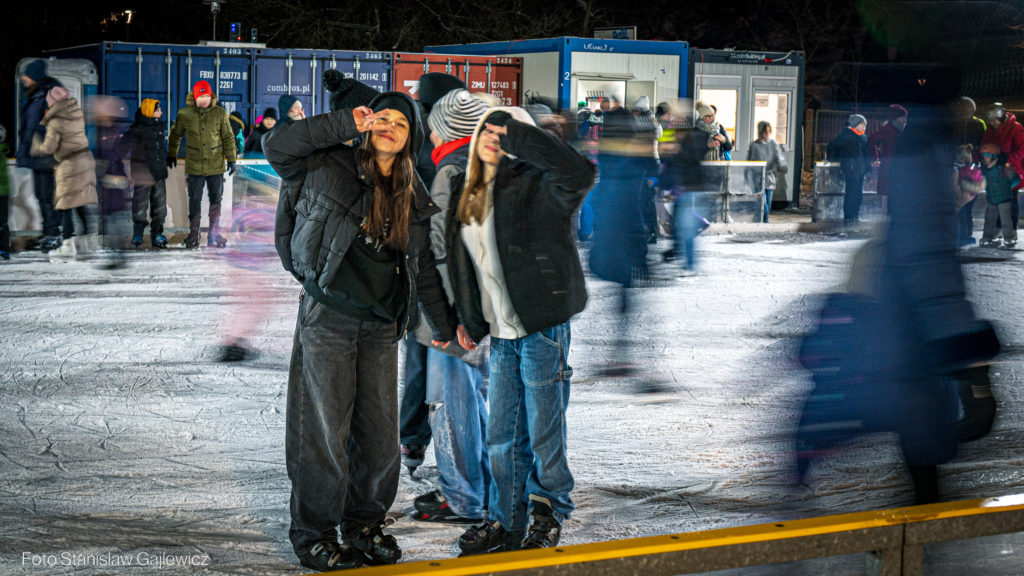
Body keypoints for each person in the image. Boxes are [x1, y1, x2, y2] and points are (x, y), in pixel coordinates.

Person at [264, 91, 457, 571]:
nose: (389, 126)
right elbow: (277, 146)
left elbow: (422, 268)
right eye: (382, 117)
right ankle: (314, 533)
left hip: (378, 325)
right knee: (324, 431)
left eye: (401, 122)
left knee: (377, 437)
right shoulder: (329, 163)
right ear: (367, 123)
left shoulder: (412, 191)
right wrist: (342, 123)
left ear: (411, 138)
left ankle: (364, 524)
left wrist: (447, 323)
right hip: (328, 315)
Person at [445, 107, 595, 554]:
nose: (493, 136)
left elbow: (579, 173)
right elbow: (466, 266)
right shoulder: (467, 189)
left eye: (503, 130)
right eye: (487, 129)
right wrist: (469, 318)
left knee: (544, 432)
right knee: (502, 435)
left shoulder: (538, 183)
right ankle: (504, 520)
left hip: (541, 326)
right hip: (501, 332)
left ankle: (548, 511)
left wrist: (522, 137)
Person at [410, 88, 492, 525]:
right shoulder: (490, 164)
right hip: (487, 313)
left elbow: (442, 251)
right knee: (478, 399)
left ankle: (463, 497)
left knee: (451, 404)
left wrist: (450, 319)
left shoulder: (450, 172)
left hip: (458, 316)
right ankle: (479, 487)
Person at [401, 71, 466, 475]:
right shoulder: (441, 145)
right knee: (436, 356)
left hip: (416, 264)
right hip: (438, 267)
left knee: (419, 355)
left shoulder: (416, 136)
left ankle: (412, 437)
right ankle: (438, 445)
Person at [30, 85, 99, 262]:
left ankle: (68, 245)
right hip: (84, 160)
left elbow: (49, 147)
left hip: (69, 164)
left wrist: (37, 144)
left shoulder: (56, 121)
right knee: (80, 202)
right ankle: (88, 241)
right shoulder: (75, 114)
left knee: (65, 204)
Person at [167, 80, 237, 249]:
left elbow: (228, 137)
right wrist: (171, 154)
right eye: (201, 96)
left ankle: (213, 235)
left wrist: (231, 158)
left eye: (207, 96)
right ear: (195, 97)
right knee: (195, 201)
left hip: (216, 165)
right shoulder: (185, 114)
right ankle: (193, 235)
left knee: (216, 200)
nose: (204, 99)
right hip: (195, 166)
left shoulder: (220, 113)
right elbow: (175, 135)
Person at [16, 59, 63, 253]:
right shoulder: (36, 94)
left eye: (26, 76)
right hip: (38, 153)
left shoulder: (48, 94)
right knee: (41, 195)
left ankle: (54, 234)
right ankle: (49, 231)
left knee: (47, 195)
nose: (24, 80)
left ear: (35, 76)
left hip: (47, 153)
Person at [123, 99, 169, 249]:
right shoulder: (136, 130)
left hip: (159, 175)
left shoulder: (160, 127)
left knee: (160, 207)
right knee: (139, 206)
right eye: (158, 109)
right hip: (142, 174)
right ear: (150, 111)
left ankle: (157, 234)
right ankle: (138, 234)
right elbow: (122, 147)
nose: (161, 112)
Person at [981, 103, 1024, 229]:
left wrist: (1009, 159)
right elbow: (985, 144)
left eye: (995, 121)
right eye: (991, 121)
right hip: (994, 170)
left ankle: (1010, 229)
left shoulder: (1016, 128)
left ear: (1002, 118)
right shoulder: (990, 130)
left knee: (1010, 201)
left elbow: (1022, 148)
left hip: (1010, 170)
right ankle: (997, 228)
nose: (993, 124)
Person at [952, 97, 986, 245]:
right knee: (960, 201)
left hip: (972, 168)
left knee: (969, 201)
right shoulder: (953, 124)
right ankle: (961, 234)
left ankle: (966, 233)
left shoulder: (978, 124)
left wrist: (974, 153)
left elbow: (983, 143)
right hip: (958, 166)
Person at [827, 114, 871, 224]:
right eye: (862, 124)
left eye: (865, 125)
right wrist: (834, 158)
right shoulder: (846, 136)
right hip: (850, 169)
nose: (864, 127)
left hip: (860, 170)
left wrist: (868, 167)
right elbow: (832, 145)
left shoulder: (863, 137)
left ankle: (855, 215)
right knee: (850, 193)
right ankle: (848, 217)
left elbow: (866, 154)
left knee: (858, 194)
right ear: (855, 124)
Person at [978, 142, 1018, 249]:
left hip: (1004, 198)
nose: (985, 158)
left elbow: (1015, 178)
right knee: (989, 220)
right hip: (991, 198)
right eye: (984, 156)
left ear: (994, 156)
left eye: (987, 156)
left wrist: (1008, 187)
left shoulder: (1003, 168)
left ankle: (1009, 239)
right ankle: (987, 237)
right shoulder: (985, 169)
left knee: (1006, 220)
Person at [746, 121, 787, 223]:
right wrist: (747, 175)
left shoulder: (774, 144)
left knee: (768, 202)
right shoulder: (755, 145)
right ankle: (763, 220)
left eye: (768, 131)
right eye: (765, 131)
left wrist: (782, 165)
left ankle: (761, 219)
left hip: (770, 178)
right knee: (761, 201)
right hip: (758, 178)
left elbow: (779, 157)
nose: (767, 133)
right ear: (760, 132)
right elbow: (750, 161)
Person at [867, 104, 908, 198]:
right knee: (892, 191)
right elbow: (872, 140)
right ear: (897, 118)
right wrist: (875, 157)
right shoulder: (888, 129)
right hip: (890, 164)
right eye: (903, 117)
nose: (905, 120)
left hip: (898, 164)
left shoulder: (900, 129)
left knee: (896, 191)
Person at [0, 125, 11, 260]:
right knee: (2, 222)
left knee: (2, 222)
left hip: (2, 192)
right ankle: (4, 248)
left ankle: (4, 249)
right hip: (3, 192)